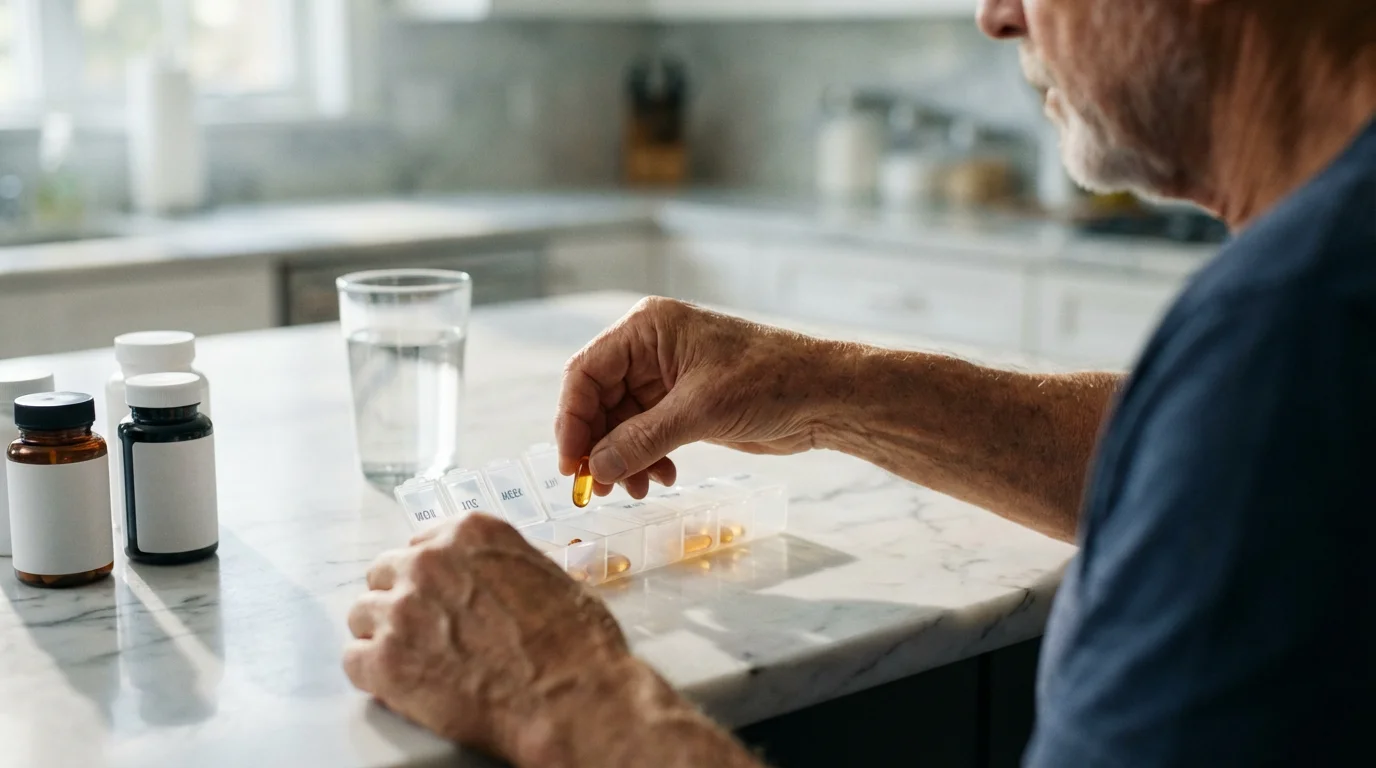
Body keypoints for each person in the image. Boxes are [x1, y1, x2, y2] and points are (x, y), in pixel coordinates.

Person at [343, 0, 1376, 764]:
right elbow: (1205, 469)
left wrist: (560, 693)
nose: (995, 15)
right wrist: (816, 384)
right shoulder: (1305, 323)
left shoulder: (1289, 334)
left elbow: (1247, 436)